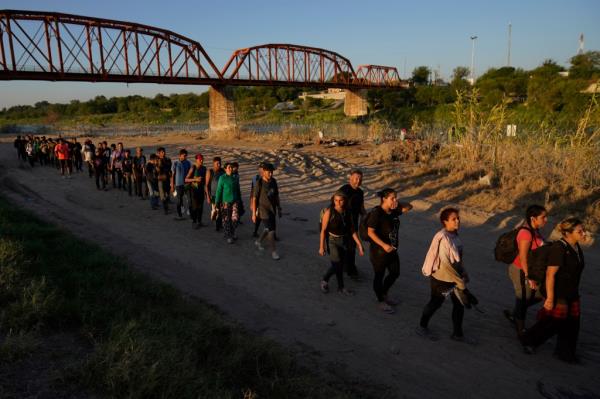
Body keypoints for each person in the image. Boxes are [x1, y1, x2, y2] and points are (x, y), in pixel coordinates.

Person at [521, 218, 586, 363]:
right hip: (558, 292)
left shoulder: (576, 247)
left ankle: (566, 353)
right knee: (554, 322)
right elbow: (550, 275)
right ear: (568, 233)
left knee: (573, 323)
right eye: (579, 231)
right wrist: (550, 298)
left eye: (583, 230)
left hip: (572, 292)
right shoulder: (559, 248)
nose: (584, 233)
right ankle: (529, 340)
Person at [418, 208, 471, 341]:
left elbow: (458, 259)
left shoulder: (454, 235)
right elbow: (447, 265)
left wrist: (464, 272)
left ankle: (458, 334)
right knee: (436, 303)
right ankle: (422, 327)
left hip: (454, 279)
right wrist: (460, 283)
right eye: (454, 219)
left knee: (459, 305)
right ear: (445, 222)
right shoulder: (444, 239)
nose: (458, 221)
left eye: (458, 218)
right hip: (441, 281)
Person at [366, 188, 413, 314]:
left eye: (395, 197)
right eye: (392, 198)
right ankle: (380, 300)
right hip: (379, 251)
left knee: (395, 273)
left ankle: (384, 293)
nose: (394, 200)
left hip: (392, 250)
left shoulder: (393, 211)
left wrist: (396, 202)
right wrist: (383, 245)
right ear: (384, 199)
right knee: (379, 275)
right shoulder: (377, 213)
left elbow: (409, 206)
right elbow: (370, 232)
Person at [504, 205, 548, 337]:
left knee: (541, 294)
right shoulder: (526, 233)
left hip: (530, 270)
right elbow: (523, 257)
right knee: (523, 298)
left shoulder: (535, 230)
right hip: (520, 271)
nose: (546, 219)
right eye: (543, 217)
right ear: (533, 218)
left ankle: (516, 313)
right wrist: (529, 277)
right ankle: (521, 330)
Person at [319, 191, 364, 295]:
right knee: (337, 264)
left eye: (341, 200)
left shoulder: (348, 212)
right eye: (336, 200)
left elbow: (352, 230)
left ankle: (329, 282)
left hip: (344, 240)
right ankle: (337, 286)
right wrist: (321, 247)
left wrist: (359, 244)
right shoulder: (329, 212)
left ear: (345, 201)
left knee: (339, 264)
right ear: (333, 200)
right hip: (332, 241)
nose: (338, 203)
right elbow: (323, 230)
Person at [339, 169, 366, 280]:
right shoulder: (344, 190)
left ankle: (350, 268)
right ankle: (349, 269)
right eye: (356, 178)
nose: (358, 181)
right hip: (342, 223)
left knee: (352, 246)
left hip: (353, 223)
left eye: (360, 178)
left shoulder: (360, 192)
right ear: (350, 178)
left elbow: (361, 207)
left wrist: (365, 215)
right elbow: (335, 205)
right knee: (346, 246)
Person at [251, 162, 282, 260]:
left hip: (272, 209)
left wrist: (279, 208)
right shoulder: (259, 183)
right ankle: (274, 252)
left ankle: (258, 241)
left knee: (268, 228)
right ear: (263, 172)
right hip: (263, 210)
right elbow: (254, 198)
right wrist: (253, 214)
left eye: (272, 172)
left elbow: (276, 196)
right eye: (269, 172)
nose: (271, 174)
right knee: (272, 231)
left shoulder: (274, 181)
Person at [215, 162, 243, 243]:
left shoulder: (235, 177)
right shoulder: (222, 178)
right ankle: (230, 236)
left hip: (235, 202)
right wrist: (217, 202)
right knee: (226, 220)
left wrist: (240, 200)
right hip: (225, 203)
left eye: (231, 167)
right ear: (225, 169)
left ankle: (232, 232)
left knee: (235, 219)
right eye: (229, 167)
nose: (231, 169)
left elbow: (238, 190)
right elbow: (219, 191)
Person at [185, 154, 207, 229]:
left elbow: (205, 182)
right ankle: (194, 222)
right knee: (195, 207)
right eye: (200, 159)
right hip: (193, 191)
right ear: (196, 160)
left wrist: (206, 192)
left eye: (202, 159)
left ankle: (199, 221)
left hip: (201, 190)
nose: (201, 161)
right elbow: (186, 179)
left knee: (201, 207)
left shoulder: (204, 168)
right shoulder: (193, 168)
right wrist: (195, 179)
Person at [170, 149, 192, 220]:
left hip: (187, 184)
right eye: (184, 155)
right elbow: (172, 175)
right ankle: (180, 215)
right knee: (179, 200)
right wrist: (172, 185)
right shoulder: (175, 163)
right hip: (178, 184)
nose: (185, 157)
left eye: (186, 156)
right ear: (180, 155)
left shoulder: (188, 163)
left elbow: (190, 173)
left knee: (189, 199)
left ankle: (190, 212)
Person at [206, 157, 225, 231]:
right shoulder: (210, 171)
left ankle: (219, 225)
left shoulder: (223, 171)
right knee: (216, 210)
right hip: (213, 195)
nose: (219, 165)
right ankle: (217, 226)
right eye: (217, 163)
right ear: (213, 164)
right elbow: (206, 185)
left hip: (222, 195)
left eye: (220, 163)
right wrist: (207, 196)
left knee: (221, 210)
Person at [250, 163, 265, 237]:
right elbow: (252, 191)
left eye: (263, 169)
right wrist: (251, 203)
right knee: (258, 218)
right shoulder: (255, 178)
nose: (261, 170)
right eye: (260, 168)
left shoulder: (268, 178)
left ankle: (273, 234)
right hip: (258, 201)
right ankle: (255, 231)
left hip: (266, 201)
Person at [156, 147, 172, 215]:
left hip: (167, 179)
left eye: (164, 151)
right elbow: (157, 170)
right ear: (159, 153)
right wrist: (158, 164)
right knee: (163, 195)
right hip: (160, 180)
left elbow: (169, 168)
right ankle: (165, 209)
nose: (163, 153)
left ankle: (166, 206)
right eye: (162, 152)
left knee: (167, 194)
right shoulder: (156, 161)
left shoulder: (168, 159)